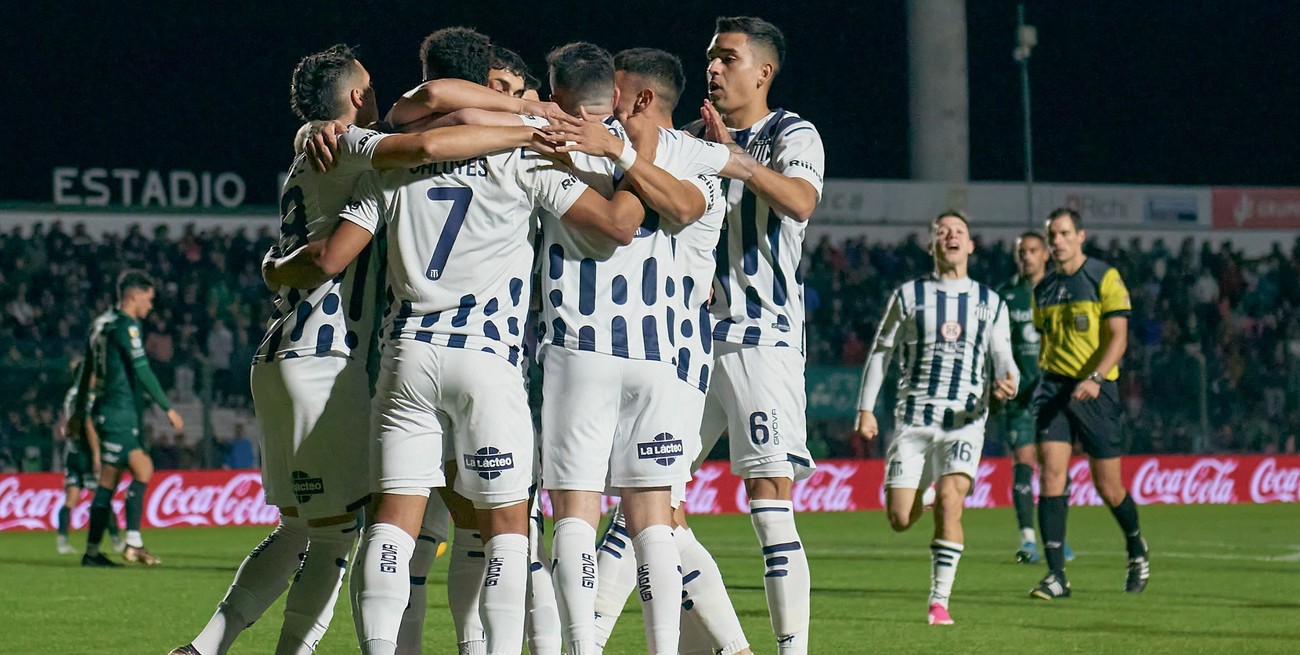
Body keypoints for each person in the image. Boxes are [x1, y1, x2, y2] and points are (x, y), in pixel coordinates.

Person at [171, 44, 546, 655]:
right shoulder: (355, 148)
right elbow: (425, 144)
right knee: (337, 536)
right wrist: (531, 123)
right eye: (369, 88)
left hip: (282, 353)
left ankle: (204, 647)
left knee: (301, 530)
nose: (379, 97)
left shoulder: (313, 151)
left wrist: (272, 267)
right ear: (353, 98)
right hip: (326, 356)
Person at [341, 82, 653, 654]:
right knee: (507, 531)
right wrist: (637, 159)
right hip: (486, 359)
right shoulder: (522, 153)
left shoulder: (390, 156)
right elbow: (615, 225)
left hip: (407, 355)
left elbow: (335, 251)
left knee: (392, 524)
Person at [532, 41, 739, 655]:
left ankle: (582, 645)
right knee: (655, 521)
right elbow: (696, 195)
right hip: (659, 354)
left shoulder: (562, 141)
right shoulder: (692, 154)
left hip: (582, 347)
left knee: (578, 509)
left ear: (639, 96)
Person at [683, 15, 825, 654]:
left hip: (761, 338)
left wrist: (733, 161)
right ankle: (717, 645)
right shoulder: (691, 138)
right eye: (711, 57)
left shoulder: (791, 132)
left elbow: (800, 200)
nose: (712, 68)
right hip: (686, 342)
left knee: (769, 503)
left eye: (727, 58)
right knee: (649, 499)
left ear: (763, 72)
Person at [854, 211, 1019, 625]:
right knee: (899, 519)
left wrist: (1008, 378)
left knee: (951, 501)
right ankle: (923, 496)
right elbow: (881, 352)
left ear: (971, 245)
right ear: (932, 245)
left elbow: (1002, 353)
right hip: (913, 422)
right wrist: (865, 408)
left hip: (965, 421)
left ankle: (939, 601)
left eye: (958, 231)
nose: (951, 236)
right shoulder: (909, 296)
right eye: (942, 232)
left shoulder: (990, 302)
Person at [1029, 207, 1150, 600]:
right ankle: (1056, 576)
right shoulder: (1043, 290)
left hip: (1097, 390)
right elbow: (1047, 342)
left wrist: (1096, 378)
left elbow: (1118, 337)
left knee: (1108, 487)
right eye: (1053, 235)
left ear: (1081, 236)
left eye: (1065, 233)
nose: (1058, 241)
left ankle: (1136, 547)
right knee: (1051, 474)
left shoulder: (1103, 277)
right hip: (1054, 389)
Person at [81, 269, 185, 568]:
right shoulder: (127, 326)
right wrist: (168, 407)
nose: (150, 306)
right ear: (134, 296)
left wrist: (79, 410)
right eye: (148, 299)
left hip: (105, 410)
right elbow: (142, 368)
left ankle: (92, 552)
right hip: (119, 411)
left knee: (108, 482)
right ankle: (133, 543)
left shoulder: (101, 324)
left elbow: (88, 369)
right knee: (143, 468)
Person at [996, 232, 1073, 564]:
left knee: (1055, 468)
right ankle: (1028, 539)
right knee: (1024, 463)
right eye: (1021, 252)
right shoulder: (1005, 295)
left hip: (1055, 394)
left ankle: (1057, 537)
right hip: (1019, 397)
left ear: (1045, 255)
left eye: (1032, 251)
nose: (1026, 257)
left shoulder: (1062, 290)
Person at [55, 357, 124, 555]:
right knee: (102, 496)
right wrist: (96, 455)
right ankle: (116, 540)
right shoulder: (87, 397)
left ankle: (62, 542)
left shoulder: (70, 394)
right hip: (86, 453)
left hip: (71, 452)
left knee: (71, 498)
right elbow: (88, 425)